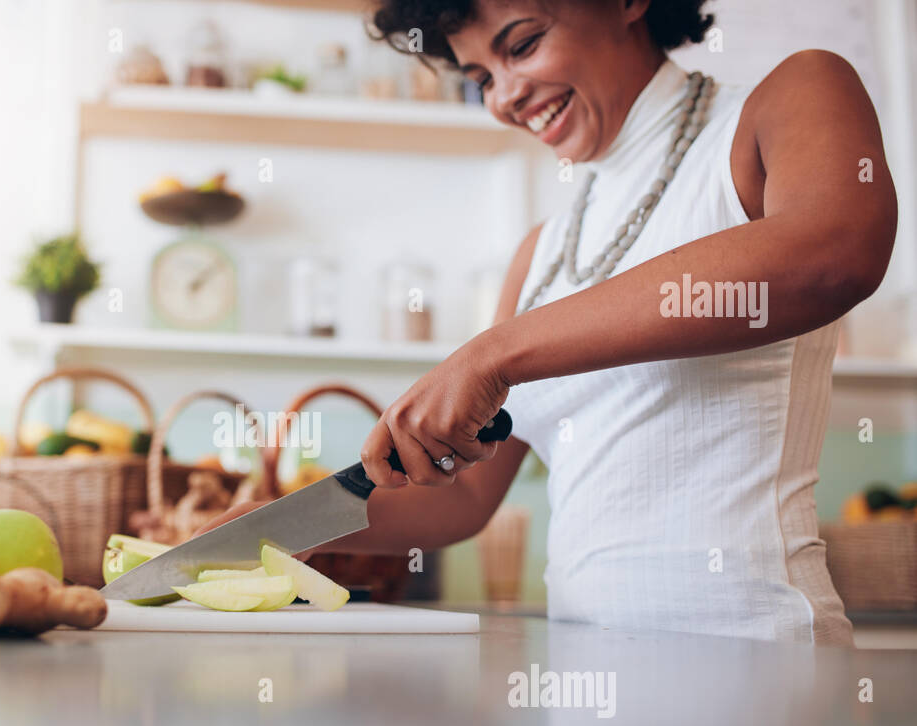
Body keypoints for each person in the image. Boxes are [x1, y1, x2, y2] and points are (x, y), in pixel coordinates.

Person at [202, 0, 897, 644]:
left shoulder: (788, 99)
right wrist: (280, 523)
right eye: (479, 76)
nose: (504, 96)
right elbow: (465, 495)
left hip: (757, 662)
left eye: (523, 44)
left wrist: (494, 353)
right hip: (587, 663)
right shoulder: (541, 252)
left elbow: (834, 250)